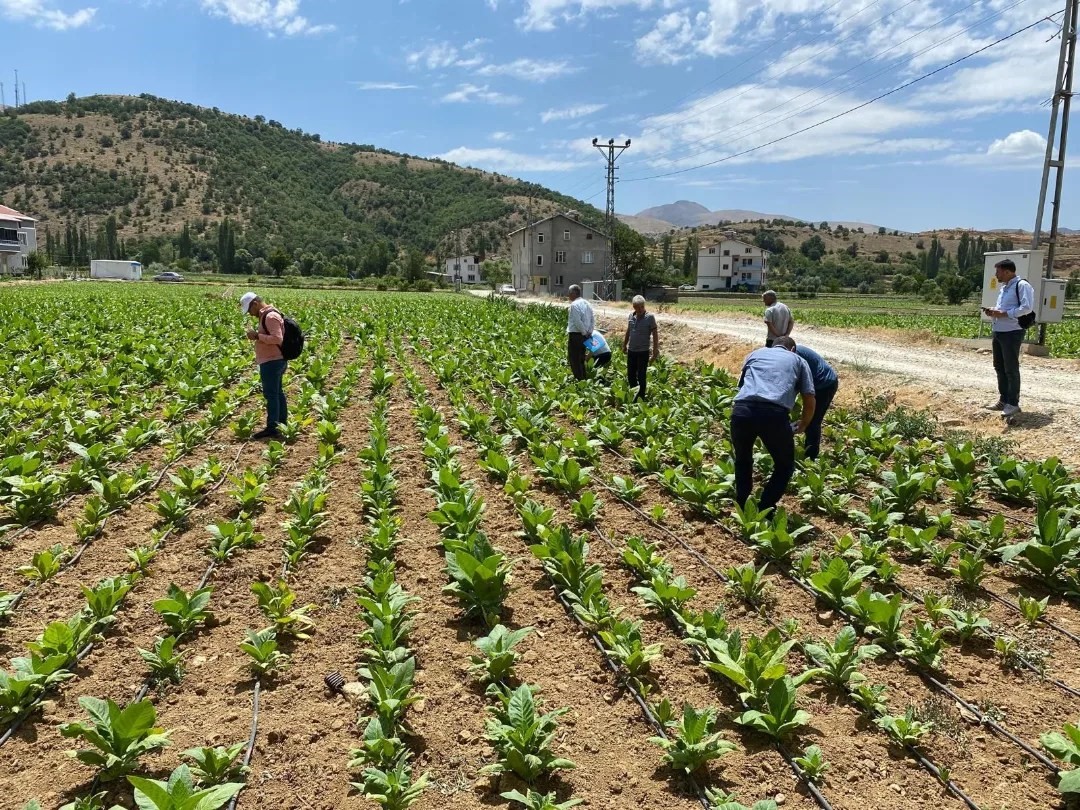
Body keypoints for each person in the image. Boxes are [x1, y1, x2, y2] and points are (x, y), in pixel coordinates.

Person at [731, 336, 816, 513]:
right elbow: (809, 398)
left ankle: (742, 503)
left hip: (742, 411)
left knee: (743, 459)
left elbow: (743, 385)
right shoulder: (799, 360)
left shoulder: (755, 354)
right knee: (784, 465)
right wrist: (804, 423)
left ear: (774, 345)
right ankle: (766, 507)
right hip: (773, 415)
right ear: (792, 349)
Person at [982, 259, 1035, 419]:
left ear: (1007, 271)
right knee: (999, 366)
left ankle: (1013, 403)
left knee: (1011, 368)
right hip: (999, 330)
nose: (996, 275)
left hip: (1012, 332)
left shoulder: (1022, 286)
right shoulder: (1005, 287)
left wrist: (1004, 314)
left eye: (998, 271)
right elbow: (1004, 308)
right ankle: (1003, 400)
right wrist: (994, 311)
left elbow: (1027, 308)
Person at [241, 291, 288, 439]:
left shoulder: (270, 316)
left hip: (272, 361)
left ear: (255, 304)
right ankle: (281, 424)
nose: (249, 313)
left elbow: (277, 338)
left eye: (249, 309)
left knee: (272, 395)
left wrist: (257, 336)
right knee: (277, 393)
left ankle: (273, 427)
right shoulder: (267, 315)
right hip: (273, 360)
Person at [793, 342, 839, 460]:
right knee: (807, 419)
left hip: (825, 384)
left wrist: (804, 421)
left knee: (813, 421)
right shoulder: (788, 353)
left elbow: (806, 391)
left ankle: (811, 457)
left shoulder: (796, 357)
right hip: (815, 381)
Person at [623, 294, 659, 401]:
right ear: (633, 307)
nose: (640, 309)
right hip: (631, 350)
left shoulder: (650, 317)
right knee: (631, 374)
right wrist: (624, 345)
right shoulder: (631, 316)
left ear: (644, 306)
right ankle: (634, 393)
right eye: (637, 307)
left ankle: (641, 397)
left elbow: (655, 334)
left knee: (642, 375)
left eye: (642, 307)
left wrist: (655, 350)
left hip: (643, 351)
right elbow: (628, 331)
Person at [566, 284, 595, 381]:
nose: (568, 295)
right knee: (581, 359)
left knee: (574, 359)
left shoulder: (574, 305)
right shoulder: (587, 303)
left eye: (569, 293)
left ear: (573, 294)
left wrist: (583, 332)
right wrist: (589, 332)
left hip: (576, 335)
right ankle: (584, 379)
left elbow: (577, 321)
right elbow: (592, 319)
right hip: (585, 335)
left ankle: (579, 381)